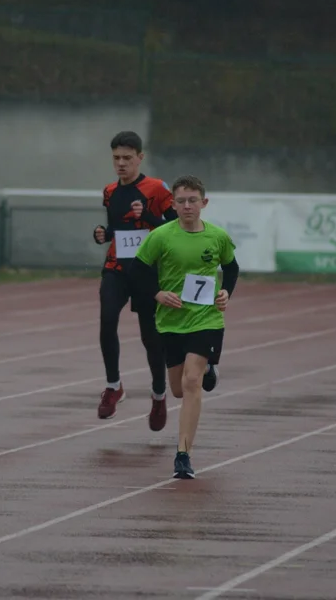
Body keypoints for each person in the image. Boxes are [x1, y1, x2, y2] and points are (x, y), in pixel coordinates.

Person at [131, 175, 239, 479]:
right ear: (173, 205)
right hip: (170, 322)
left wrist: (225, 292)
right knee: (178, 389)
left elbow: (231, 267)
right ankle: (208, 371)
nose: (187, 206)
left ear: (203, 203)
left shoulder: (217, 237)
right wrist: (157, 294)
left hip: (206, 319)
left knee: (191, 383)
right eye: (181, 201)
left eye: (193, 200)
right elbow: (138, 272)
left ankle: (183, 455)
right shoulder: (161, 236)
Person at [93, 131, 176, 429]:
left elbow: (175, 227)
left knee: (150, 338)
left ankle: (158, 395)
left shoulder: (156, 189)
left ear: (141, 157)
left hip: (148, 271)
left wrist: (150, 218)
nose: (121, 164)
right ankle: (114, 386)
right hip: (117, 267)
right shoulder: (109, 191)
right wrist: (103, 234)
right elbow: (116, 229)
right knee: (106, 318)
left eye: (127, 158)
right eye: (116, 158)